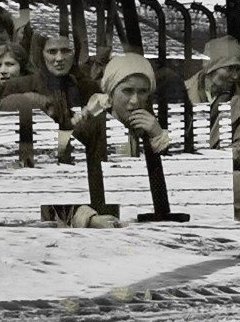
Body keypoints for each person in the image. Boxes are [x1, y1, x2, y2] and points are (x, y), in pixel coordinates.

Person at [64, 54, 172, 229]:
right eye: (127, 91)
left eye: (143, 91)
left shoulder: (152, 131)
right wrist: (89, 218)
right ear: (110, 95)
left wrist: (158, 138)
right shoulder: (87, 132)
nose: (135, 101)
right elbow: (59, 192)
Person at [184, 36, 240, 104]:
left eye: (238, 69)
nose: (236, 76)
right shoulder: (183, 94)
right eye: (230, 68)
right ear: (212, 68)